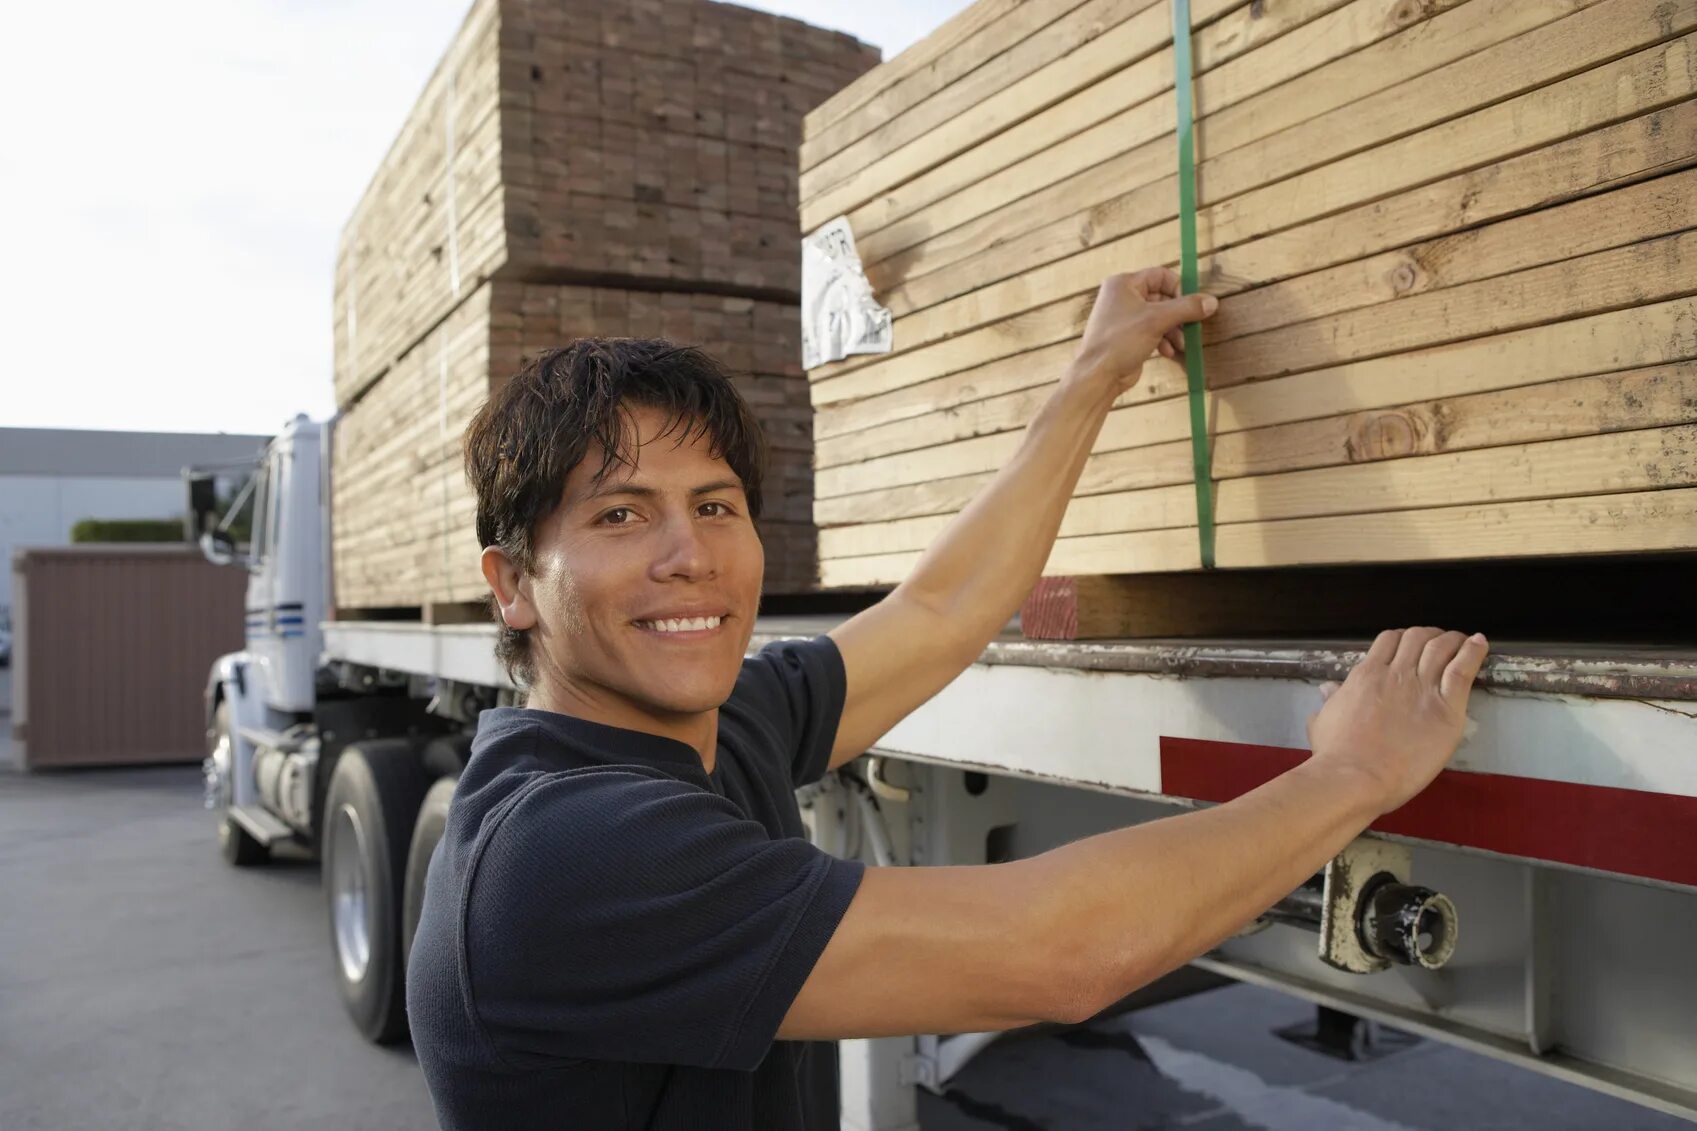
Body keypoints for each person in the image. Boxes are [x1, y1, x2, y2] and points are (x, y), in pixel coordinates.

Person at [406, 269, 1489, 1130]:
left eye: (715, 504)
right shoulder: (564, 853)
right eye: (620, 516)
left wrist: (1090, 380)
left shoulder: (703, 729)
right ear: (512, 586)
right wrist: (1352, 774)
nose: (689, 555)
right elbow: (1056, 955)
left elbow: (937, 608)